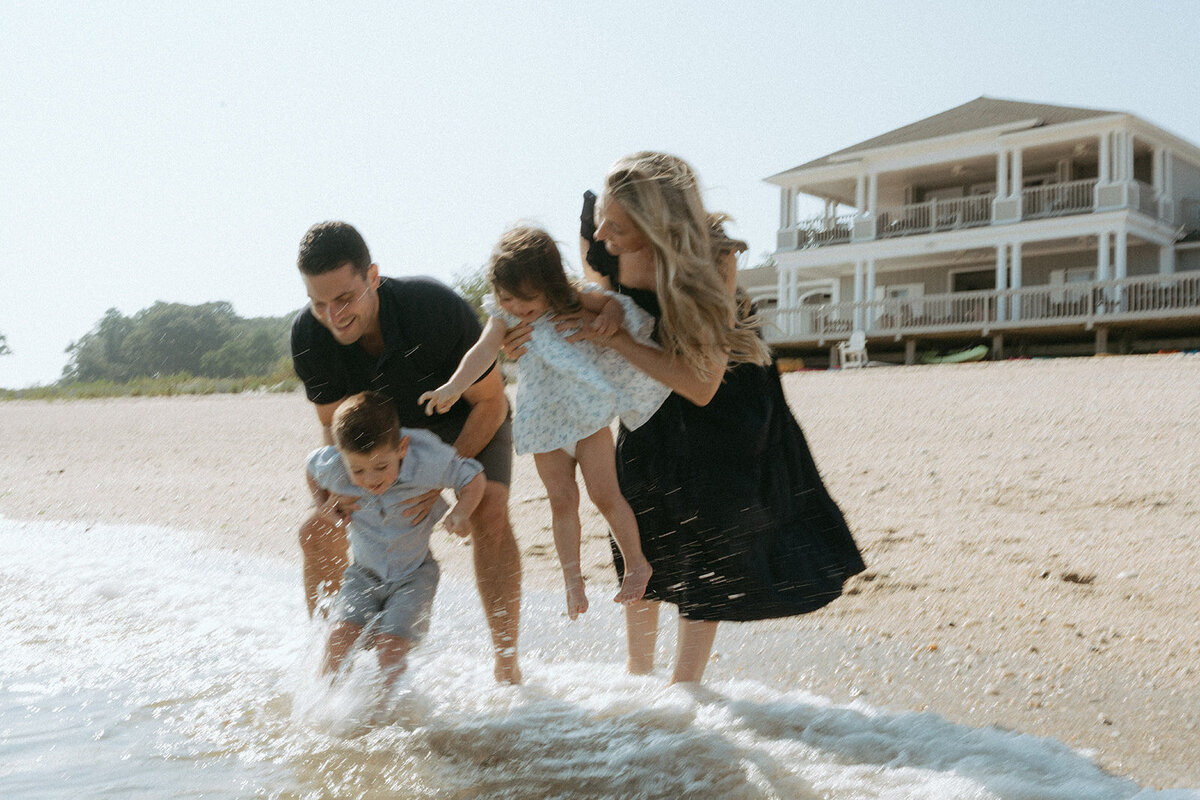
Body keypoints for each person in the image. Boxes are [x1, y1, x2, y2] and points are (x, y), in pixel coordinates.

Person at [510, 152, 866, 684]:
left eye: (619, 225)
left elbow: (702, 385)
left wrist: (622, 338)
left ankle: (685, 688)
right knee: (640, 521)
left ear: (658, 225)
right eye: (603, 217)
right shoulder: (602, 244)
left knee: (711, 533)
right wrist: (527, 336)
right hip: (645, 395)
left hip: (723, 401)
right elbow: (582, 308)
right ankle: (637, 674)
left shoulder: (712, 257)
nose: (602, 233)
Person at [291, 221, 522, 684]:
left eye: (344, 299)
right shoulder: (309, 337)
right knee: (319, 530)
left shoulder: (432, 309)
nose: (333, 315)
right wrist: (332, 497)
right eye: (319, 304)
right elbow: (331, 428)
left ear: (372, 277)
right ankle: (330, 668)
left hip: (463, 420)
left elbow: (491, 404)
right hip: (375, 435)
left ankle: (506, 663)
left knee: (490, 510)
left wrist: (436, 476)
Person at [418, 225, 665, 620]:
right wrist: (452, 386)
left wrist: (610, 318)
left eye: (525, 298)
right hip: (545, 425)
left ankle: (637, 562)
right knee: (562, 501)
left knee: (605, 495)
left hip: (586, 417)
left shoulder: (571, 297)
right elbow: (483, 351)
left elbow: (614, 305)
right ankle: (572, 579)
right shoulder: (504, 316)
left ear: (550, 285)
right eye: (506, 297)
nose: (515, 306)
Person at [311, 391, 485, 690]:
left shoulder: (427, 460)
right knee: (338, 638)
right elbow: (311, 469)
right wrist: (322, 504)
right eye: (358, 470)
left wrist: (461, 511)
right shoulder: (335, 466)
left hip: (414, 576)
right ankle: (322, 708)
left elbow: (473, 475)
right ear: (342, 458)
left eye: (381, 467)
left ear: (401, 448)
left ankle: (389, 717)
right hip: (363, 575)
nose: (370, 479)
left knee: (389, 646)